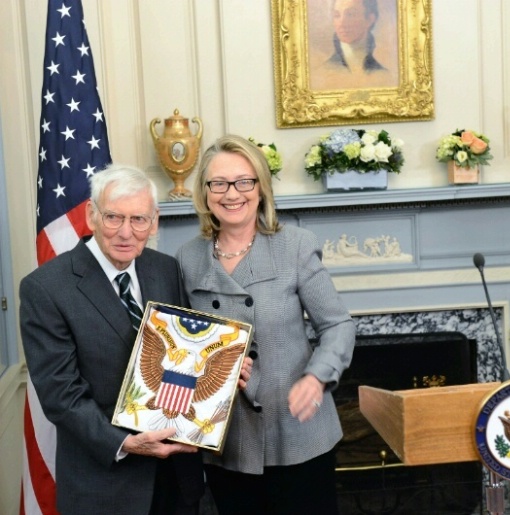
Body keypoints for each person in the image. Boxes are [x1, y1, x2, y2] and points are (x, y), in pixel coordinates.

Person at [20, 164, 251, 515]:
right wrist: (125, 442)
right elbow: (60, 395)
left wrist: (226, 372)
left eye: (139, 219)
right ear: (91, 216)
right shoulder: (46, 288)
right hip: (106, 485)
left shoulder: (164, 268)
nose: (126, 232)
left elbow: (185, 354)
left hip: (178, 480)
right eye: (114, 217)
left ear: (154, 221)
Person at [176, 135, 356, 515]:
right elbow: (179, 346)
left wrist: (316, 377)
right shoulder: (186, 258)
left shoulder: (295, 245)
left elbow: (337, 325)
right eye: (219, 183)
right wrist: (210, 367)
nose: (232, 194)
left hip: (299, 433)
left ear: (261, 188)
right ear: (205, 192)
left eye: (244, 181)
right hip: (230, 441)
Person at [313, 0, 394, 89]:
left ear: (370, 19)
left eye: (350, 14)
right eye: (337, 16)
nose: (342, 23)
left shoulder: (384, 75)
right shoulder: (322, 72)